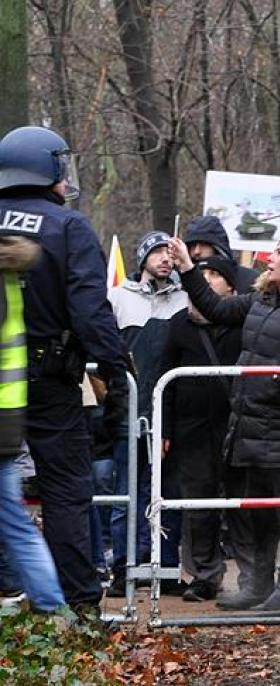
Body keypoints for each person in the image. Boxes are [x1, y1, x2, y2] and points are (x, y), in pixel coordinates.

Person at [168, 232, 280, 611]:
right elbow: (215, 308)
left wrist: (279, 372)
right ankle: (257, 584)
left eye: (279, 253)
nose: (269, 257)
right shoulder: (260, 298)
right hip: (249, 421)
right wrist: (185, 267)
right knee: (255, 513)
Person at [0, 126, 130, 611]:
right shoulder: (67, 226)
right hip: (51, 381)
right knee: (66, 493)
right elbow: (91, 312)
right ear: (50, 168)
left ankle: (12, 590)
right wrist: (115, 372)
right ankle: (77, 606)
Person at [106, 231, 190, 596]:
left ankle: (168, 567)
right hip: (129, 411)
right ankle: (123, 568)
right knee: (128, 493)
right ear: (142, 259)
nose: (164, 258)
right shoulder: (118, 298)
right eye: (157, 251)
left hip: (171, 412)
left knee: (169, 493)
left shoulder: (184, 298)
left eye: (169, 252)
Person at [159, 257, 242, 602]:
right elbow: (164, 381)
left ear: (231, 288)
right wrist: (164, 429)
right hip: (191, 430)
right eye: (201, 273)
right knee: (198, 506)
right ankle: (204, 574)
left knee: (243, 504)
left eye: (215, 274)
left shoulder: (243, 323)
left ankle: (255, 577)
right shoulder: (179, 325)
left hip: (239, 427)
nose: (206, 280)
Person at [0, 234, 66, 613]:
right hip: (7, 421)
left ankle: (52, 606)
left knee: (16, 525)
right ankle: (52, 608)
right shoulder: (10, 270)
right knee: (16, 524)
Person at [182, 215, 258, 293]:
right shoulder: (184, 280)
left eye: (203, 244)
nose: (196, 251)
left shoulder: (249, 281)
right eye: (193, 245)